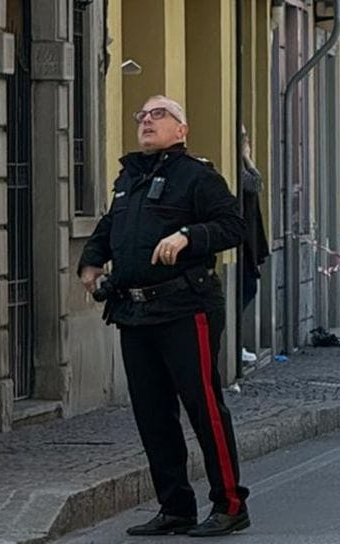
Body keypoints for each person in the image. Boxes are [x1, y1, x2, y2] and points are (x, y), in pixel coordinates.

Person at [78, 95, 250, 537]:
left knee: (203, 405)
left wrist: (190, 236)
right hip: (133, 310)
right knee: (152, 413)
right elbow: (110, 224)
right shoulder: (129, 177)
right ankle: (175, 506)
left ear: (182, 129)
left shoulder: (197, 176)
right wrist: (91, 260)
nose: (147, 121)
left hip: (184, 308)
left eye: (160, 115)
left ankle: (230, 504)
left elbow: (233, 226)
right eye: (142, 116)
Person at [237, 125, 269, 316]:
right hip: (242, 235)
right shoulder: (236, 166)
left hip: (248, 233)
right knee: (248, 288)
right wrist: (247, 158)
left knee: (248, 287)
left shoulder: (239, 165)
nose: (246, 140)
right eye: (243, 136)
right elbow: (256, 183)